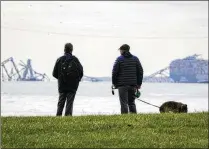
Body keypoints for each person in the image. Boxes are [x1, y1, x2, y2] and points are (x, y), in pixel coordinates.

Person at [53, 43, 83, 116]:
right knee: (70, 102)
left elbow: (54, 73)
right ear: (71, 50)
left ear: (64, 49)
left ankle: (58, 116)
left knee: (61, 102)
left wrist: (61, 78)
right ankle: (68, 116)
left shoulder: (59, 60)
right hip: (72, 85)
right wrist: (77, 80)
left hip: (62, 85)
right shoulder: (75, 60)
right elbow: (81, 72)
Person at [112, 44, 143, 114]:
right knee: (131, 102)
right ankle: (134, 117)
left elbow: (114, 72)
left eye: (120, 50)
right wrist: (139, 84)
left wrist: (114, 83)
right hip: (133, 85)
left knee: (124, 103)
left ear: (122, 50)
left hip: (122, 85)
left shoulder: (119, 59)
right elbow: (140, 71)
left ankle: (124, 118)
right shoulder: (135, 59)